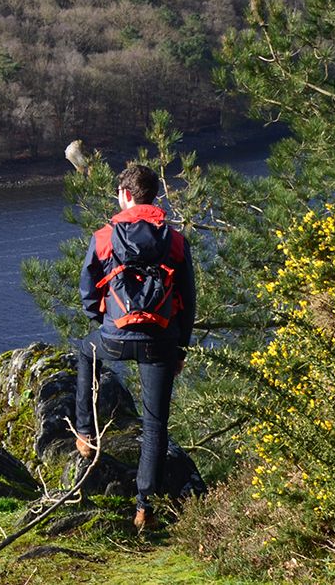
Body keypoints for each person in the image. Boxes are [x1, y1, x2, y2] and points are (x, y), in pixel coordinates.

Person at [72, 162, 195, 531]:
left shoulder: (104, 237)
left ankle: (85, 433)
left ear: (125, 195)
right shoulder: (175, 241)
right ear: (154, 196)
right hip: (161, 340)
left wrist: (106, 321)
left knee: (84, 350)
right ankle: (144, 507)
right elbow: (188, 300)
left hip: (113, 337)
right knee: (155, 425)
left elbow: (87, 293)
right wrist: (180, 351)